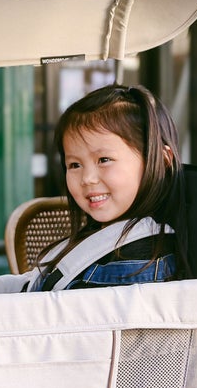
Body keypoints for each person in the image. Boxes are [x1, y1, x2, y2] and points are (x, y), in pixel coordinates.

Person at [28, 84, 187, 292]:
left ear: (161, 161)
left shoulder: (137, 266)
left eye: (104, 160)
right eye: (75, 164)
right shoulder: (103, 237)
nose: (88, 179)